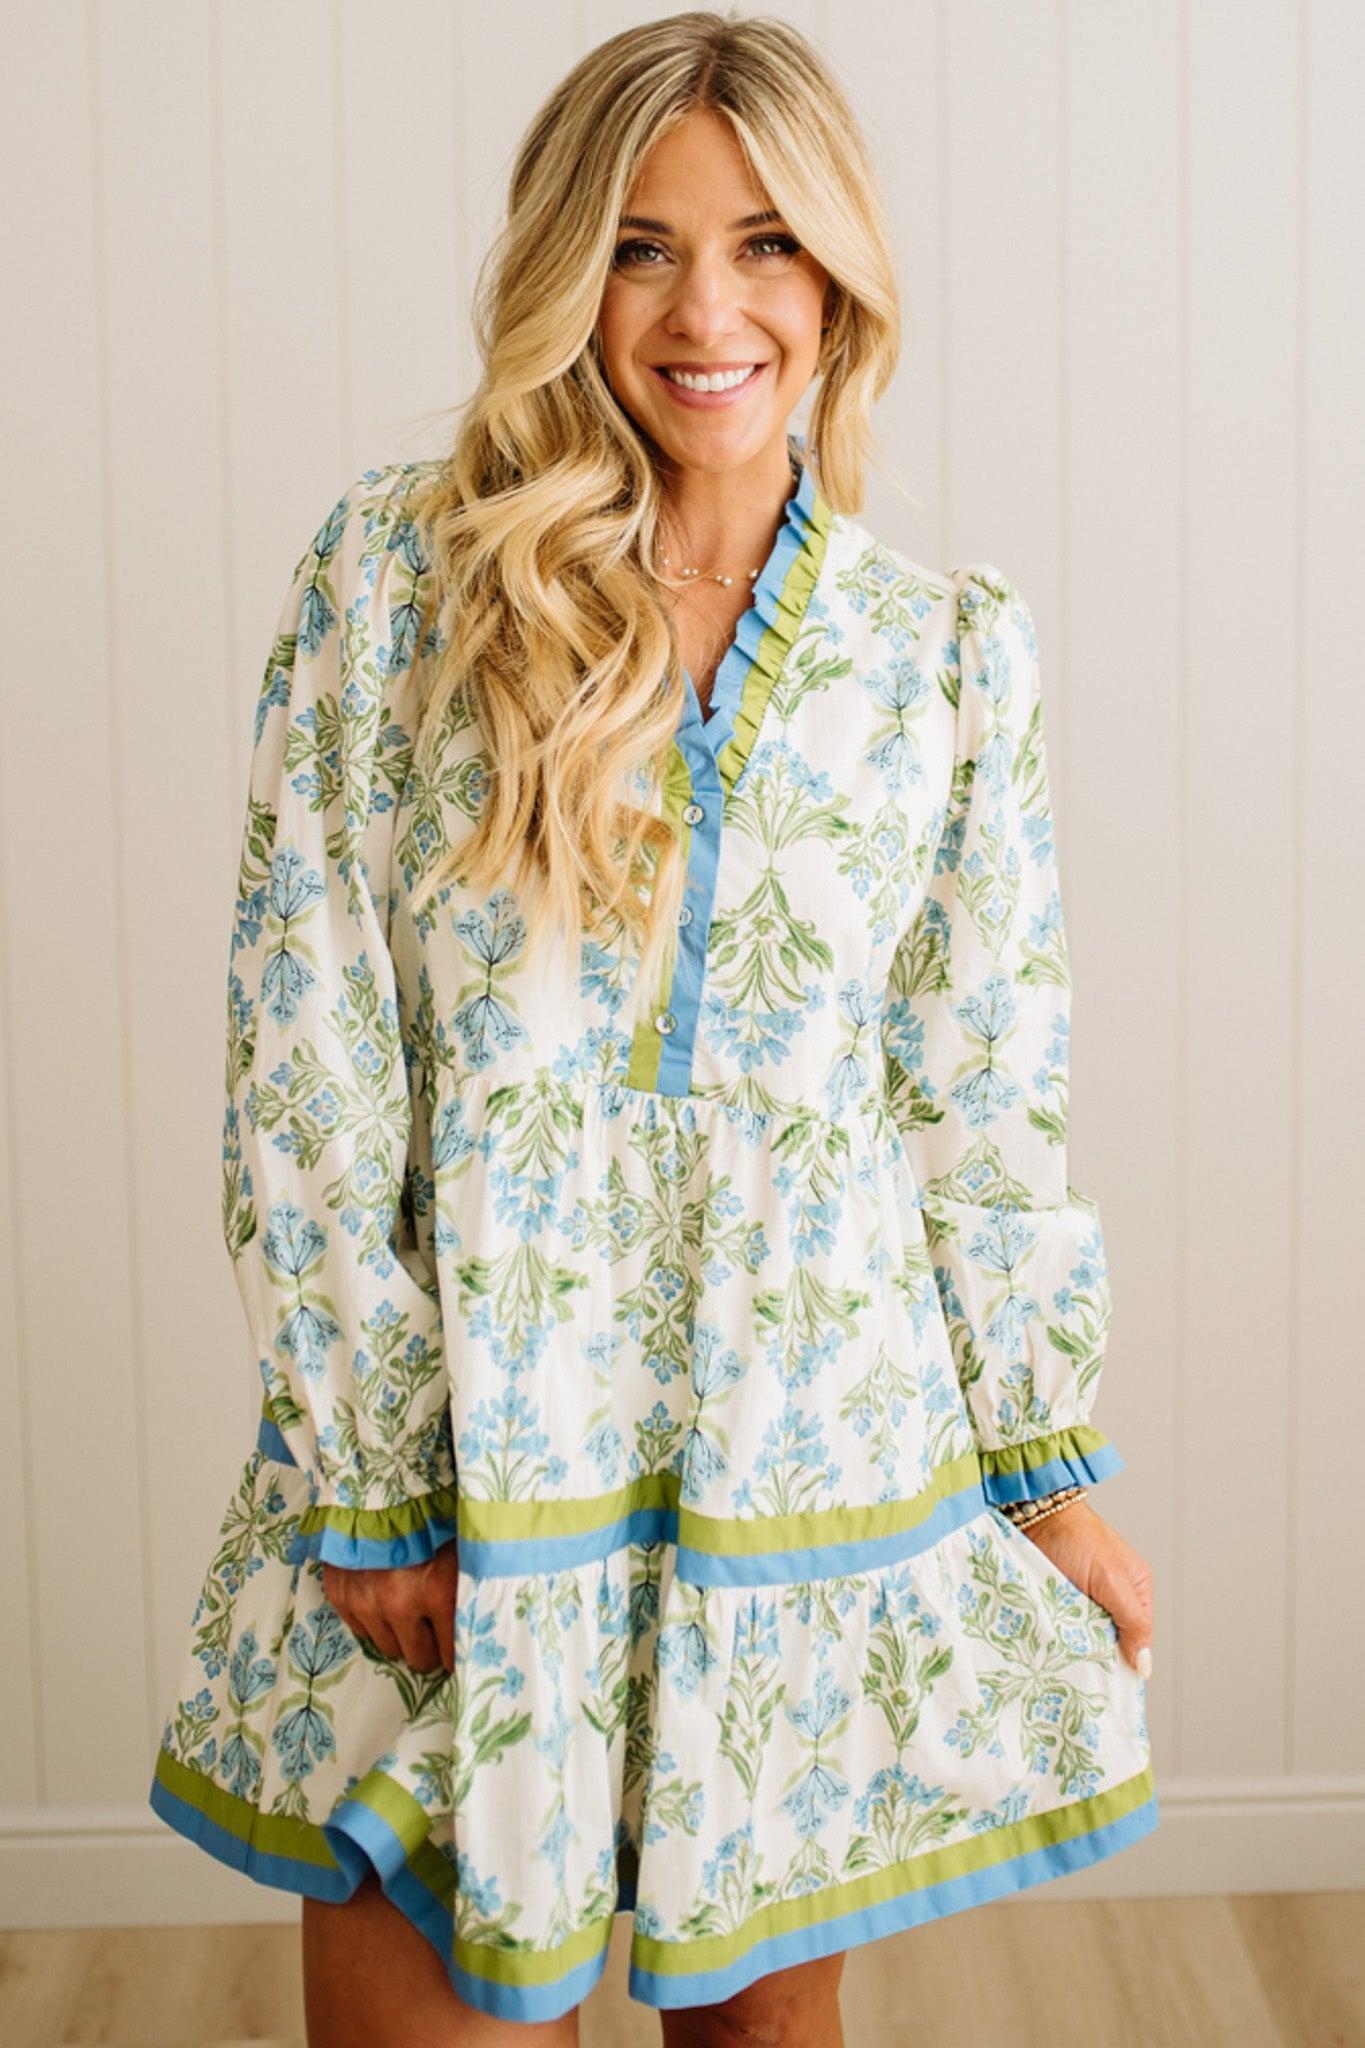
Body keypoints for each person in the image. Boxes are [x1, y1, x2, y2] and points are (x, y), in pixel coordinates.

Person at [147, 10, 1157, 2043]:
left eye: (765, 244)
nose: (707, 310)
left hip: (802, 1477)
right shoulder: (399, 589)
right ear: (564, 274)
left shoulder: (937, 659)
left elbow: (976, 1099)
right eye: (640, 247)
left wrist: (1041, 1469)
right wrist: (375, 1470)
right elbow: (309, 1043)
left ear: (837, 283)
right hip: (473, 1477)